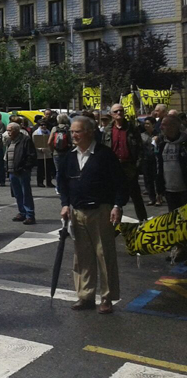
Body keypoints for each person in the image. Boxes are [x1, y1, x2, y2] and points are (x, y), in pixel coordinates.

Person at [58, 116, 127, 314]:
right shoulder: (69, 157)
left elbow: (120, 182)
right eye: (72, 132)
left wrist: (117, 206)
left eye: (77, 131)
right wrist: (65, 204)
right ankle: (85, 296)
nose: (73, 135)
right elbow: (62, 183)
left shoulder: (104, 155)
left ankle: (107, 298)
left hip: (101, 211)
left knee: (104, 255)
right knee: (82, 257)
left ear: (89, 132)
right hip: (77, 212)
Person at [102, 104, 147, 221]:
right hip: (113, 167)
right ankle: (114, 224)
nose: (119, 113)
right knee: (114, 197)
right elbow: (103, 149)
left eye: (121, 111)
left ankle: (143, 222)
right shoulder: (108, 130)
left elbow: (140, 148)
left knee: (136, 196)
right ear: (111, 114)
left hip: (129, 167)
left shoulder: (132, 128)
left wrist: (137, 167)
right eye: (116, 111)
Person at [154, 114, 187, 263]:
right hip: (170, 189)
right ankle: (178, 249)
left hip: (184, 189)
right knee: (175, 223)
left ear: (174, 126)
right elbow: (159, 168)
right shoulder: (162, 144)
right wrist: (159, 189)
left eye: (165, 124)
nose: (161, 127)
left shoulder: (185, 143)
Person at [5, 122, 37, 224]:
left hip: (22, 171)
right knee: (17, 194)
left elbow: (31, 155)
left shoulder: (25, 140)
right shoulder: (10, 141)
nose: (8, 133)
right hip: (12, 171)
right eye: (8, 130)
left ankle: (29, 215)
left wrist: (25, 168)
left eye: (10, 130)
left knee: (26, 193)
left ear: (16, 130)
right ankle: (22, 212)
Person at [140, 116, 160, 206]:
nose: (146, 125)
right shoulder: (142, 135)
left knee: (157, 179)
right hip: (146, 160)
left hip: (156, 160)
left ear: (153, 124)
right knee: (148, 180)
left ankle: (159, 197)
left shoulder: (159, 134)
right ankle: (152, 198)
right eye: (145, 124)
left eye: (148, 124)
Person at [48, 114, 72, 183]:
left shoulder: (54, 128)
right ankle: (66, 185)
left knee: (58, 170)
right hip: (66, 152)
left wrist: (52, 150)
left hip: (56, 152)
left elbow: (49, 142)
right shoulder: (68, 128)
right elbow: (71, 141)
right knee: (66, 169)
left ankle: (58, 187)